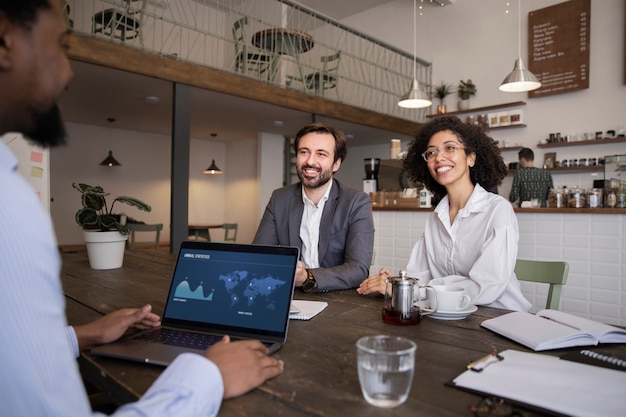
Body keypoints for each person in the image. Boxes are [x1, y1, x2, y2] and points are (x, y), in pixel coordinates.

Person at [0, 2, 283, 416]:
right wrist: (208, 376)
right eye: (61, 46)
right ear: (5, 42)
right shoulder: (10, 211)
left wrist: (79, 335)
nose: (70, 70)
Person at [357, 116, 531, 312]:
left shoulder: (497, 210)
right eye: (431, 152)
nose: (439, 157)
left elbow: (486, 287)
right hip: (449, 316)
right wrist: (399, 284)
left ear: (471, 158)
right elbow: (419, 276)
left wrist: (418, 289)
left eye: (450, 148)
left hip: (500, 317)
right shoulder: (435, 218)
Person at [253, 122, 374, 293]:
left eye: (321, 154)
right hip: (287, 294)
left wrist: (307, 277)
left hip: (337, 299)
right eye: (304, 152)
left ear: (336, 164)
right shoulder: (279, 198)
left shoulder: (356, 202)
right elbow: (259, 256)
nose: (310, 161)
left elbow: (358, 270)